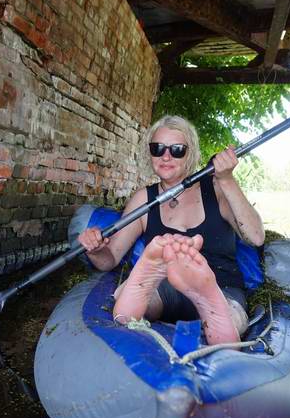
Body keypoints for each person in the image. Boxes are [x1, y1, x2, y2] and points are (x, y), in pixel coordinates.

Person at [77, 115, 264, 345]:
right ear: (151, 154)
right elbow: (110, 258)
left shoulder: (216, 190)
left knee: (232, 316)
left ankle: (210, 303)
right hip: (165, 284)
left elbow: (255, 237)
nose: (166, 156)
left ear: (191, 153)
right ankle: (142, 288)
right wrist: (94, 250)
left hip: (220, 285)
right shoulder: (144, 200)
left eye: (177, 149)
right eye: (158, 148)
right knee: (143, 303)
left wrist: (226, 180)